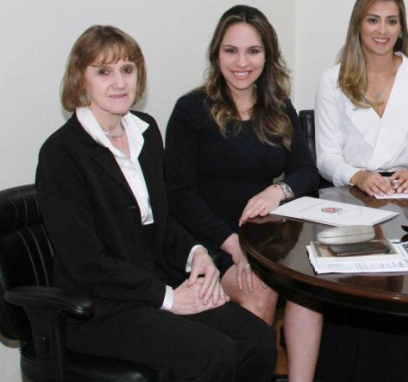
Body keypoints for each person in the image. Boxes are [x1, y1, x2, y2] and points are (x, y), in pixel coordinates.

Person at [36, 25, 276, 382]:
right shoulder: (62, 153)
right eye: (104, 72)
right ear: (80, 79)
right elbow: (86, 263)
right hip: (97, 308)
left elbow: (160, 225)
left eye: (127, 69)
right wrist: (169, 298)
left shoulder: (145, 131)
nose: (119, 83)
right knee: (212, 354)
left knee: (257, 340)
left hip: (150, 287)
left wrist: (197, 253)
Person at [164, 6, 319, 382]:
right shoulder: (191, 110)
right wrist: (232, 245)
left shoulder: (279, 108)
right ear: (216, 54)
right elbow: (179, 194)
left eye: (253, 51)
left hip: (265, 241)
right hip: (209, 245)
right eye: (231, 50)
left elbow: (306, 171)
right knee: (259, 291)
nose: (242, 63)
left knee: (311, 291)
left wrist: (277, 190)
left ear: (268, 56)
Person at [313, 0, 408, 381]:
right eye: (373, 20)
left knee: (401, 292)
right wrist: (358, 175)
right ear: (358, 24)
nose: (382, 30)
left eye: (391, 21)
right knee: (352, 295)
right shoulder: (333, 79)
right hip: (351, 197)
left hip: (407, 199)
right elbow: (326, 157)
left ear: (402, 28)